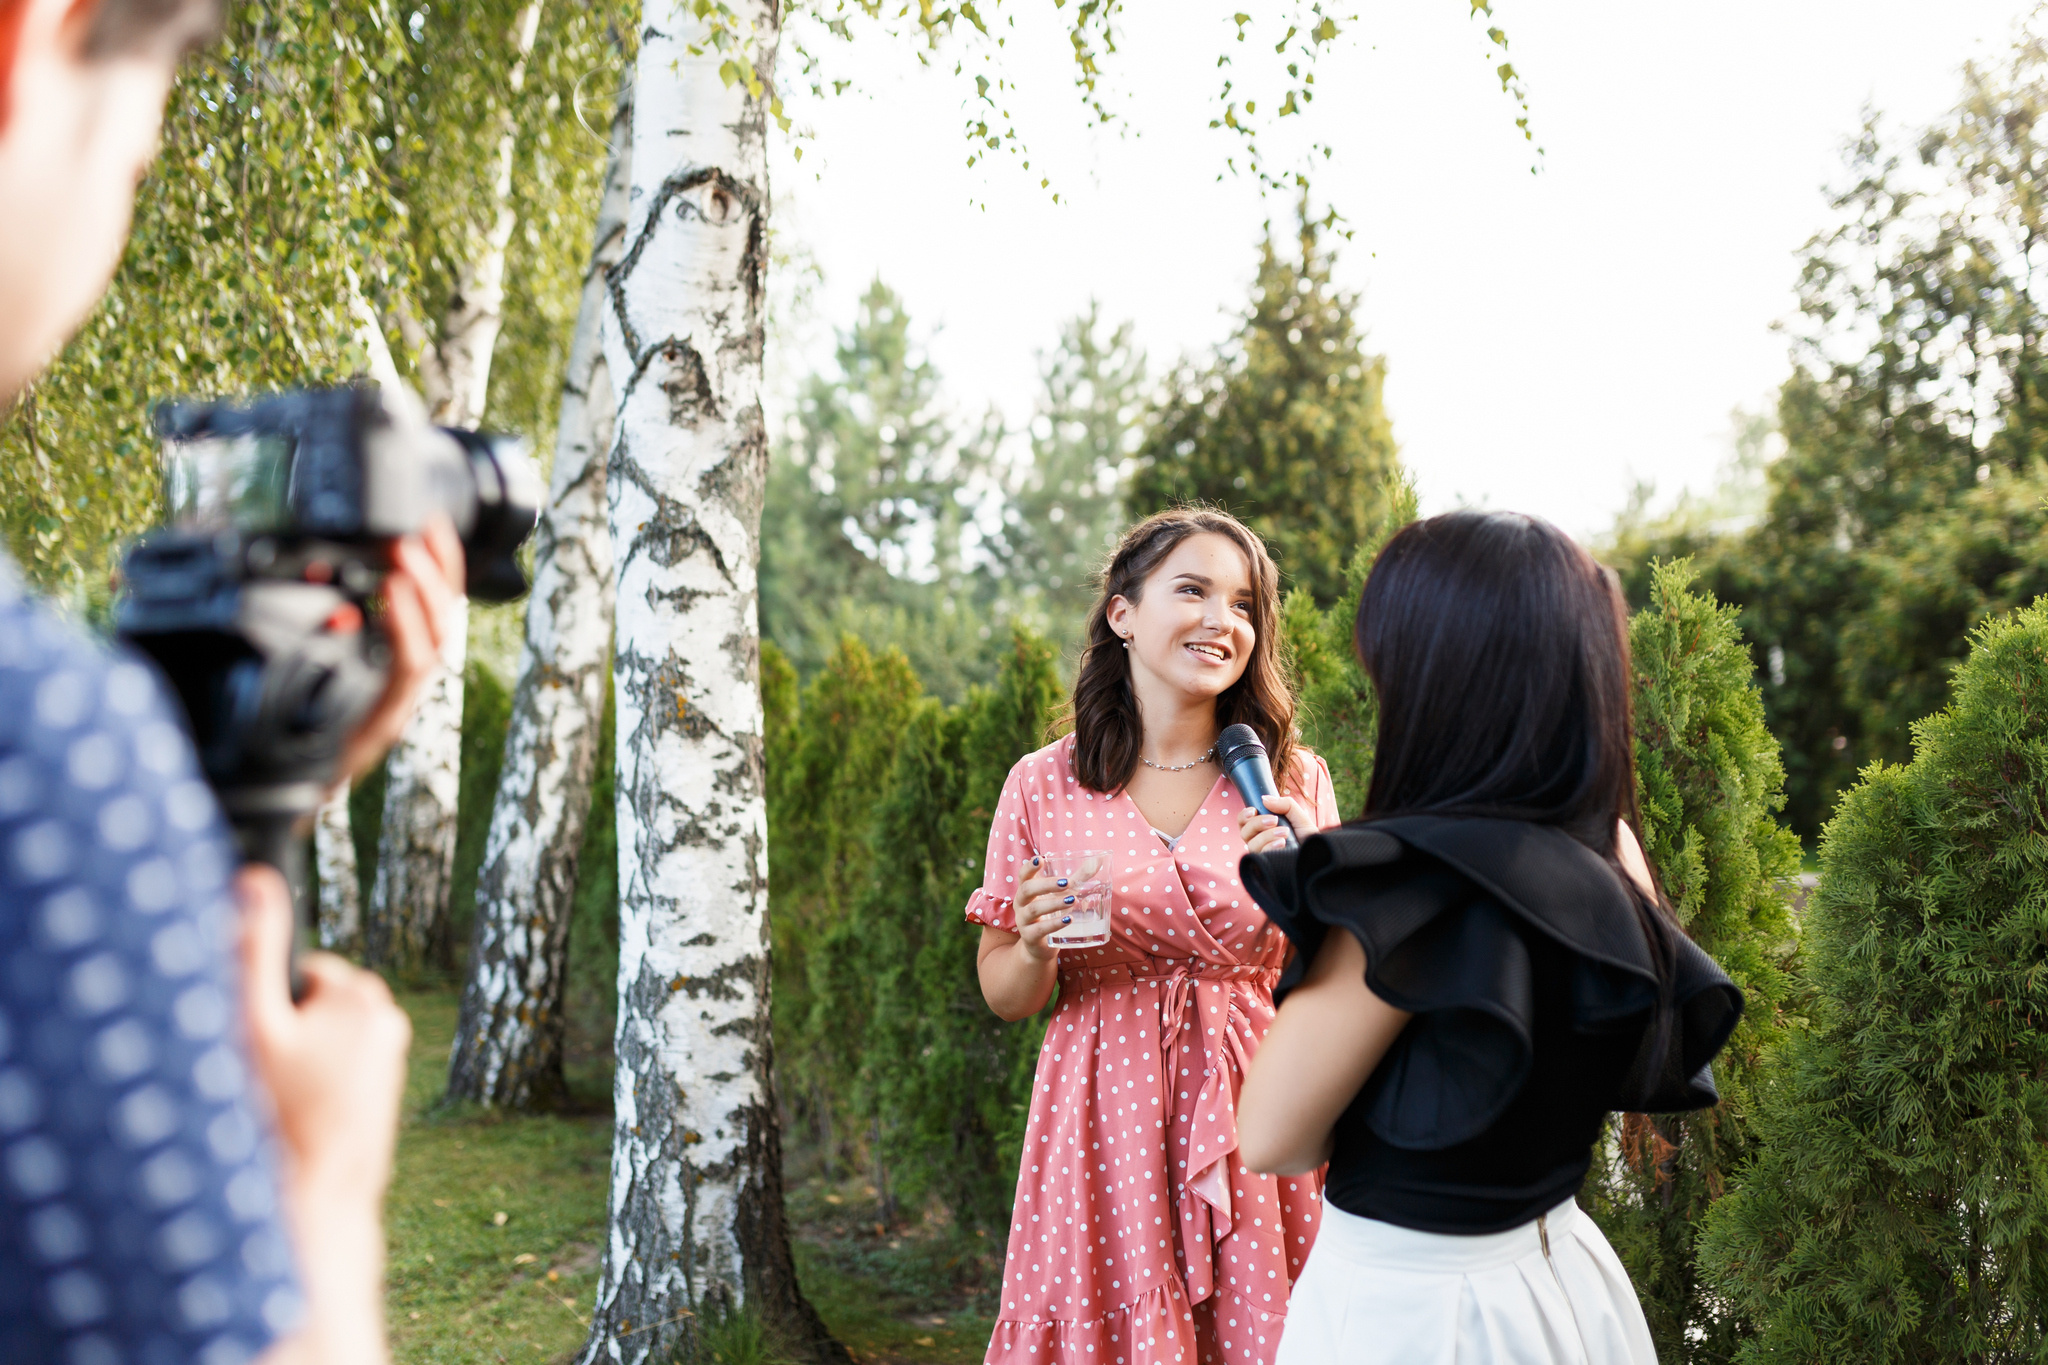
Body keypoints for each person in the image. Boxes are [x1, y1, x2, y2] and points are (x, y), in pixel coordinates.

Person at [0, 1, 464, 1362]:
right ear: (35, 43)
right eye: (137, 162)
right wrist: (321, 1183)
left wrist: (252, 793)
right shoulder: (43, 755)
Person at [1231, 511, 1743, 1364]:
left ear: (1438, 675)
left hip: (1417, 1309)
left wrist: (1336, 914)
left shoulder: (1406, 880)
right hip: (1567, 1285)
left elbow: (1274, 1135)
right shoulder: (1611, 847)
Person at [968, 508, 1344, 1365]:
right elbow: (1006, 993)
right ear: (1122, 613)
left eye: (1244, 604)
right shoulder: (1043, 783)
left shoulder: (1291, 779)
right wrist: (1028, 945)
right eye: (1193, 590)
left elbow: (1336, 977)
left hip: (1260, 1109)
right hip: (1102, 1113)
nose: (1222, 620)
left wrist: (1310, 890)